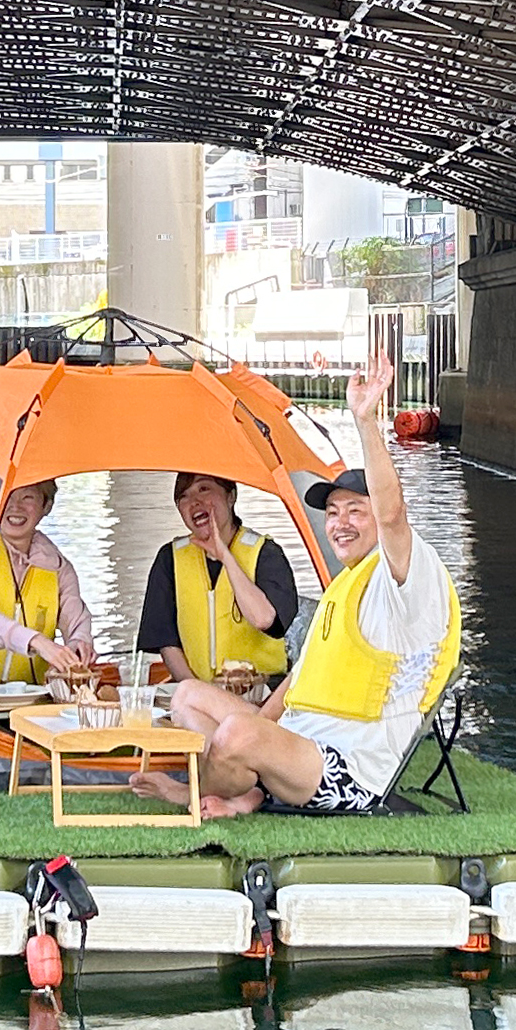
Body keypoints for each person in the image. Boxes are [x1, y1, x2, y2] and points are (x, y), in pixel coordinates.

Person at [130, 350, 460, 817]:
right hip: (298, 742)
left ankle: (202, 794)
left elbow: (393, 515)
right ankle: (247, 788)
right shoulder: (344, 588)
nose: (340, 523)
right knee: (189, 696)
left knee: (238, 736)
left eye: (355, 512)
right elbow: (294, 688)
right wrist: (259, 739)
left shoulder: (403, 577)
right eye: (333, 513)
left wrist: (366, 422)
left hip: (347, 769)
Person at [135, 472, 300, 683]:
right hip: (195, 690)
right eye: (183, 497)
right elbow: (166, 641)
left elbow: (265, 619)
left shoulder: (265, 553)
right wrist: (194, 689)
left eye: (204, 489)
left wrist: (225, 556)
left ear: (231, 496)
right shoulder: (169, 559)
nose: (194, 501)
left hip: (263, 689)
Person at [0, 479, 95, 683]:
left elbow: (78, 621)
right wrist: (36, 641)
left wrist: (79, 643)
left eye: (27, 497)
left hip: (28, 700)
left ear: (46, 506)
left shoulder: (59, 567)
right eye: (7, 495)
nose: (15, 506)